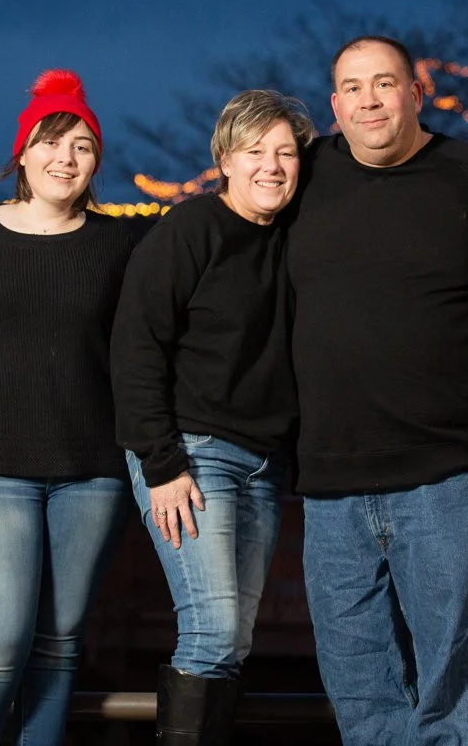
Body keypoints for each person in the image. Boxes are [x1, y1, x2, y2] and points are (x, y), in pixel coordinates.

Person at [287, 36, 468, 745]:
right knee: (361, 697)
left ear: (418, 94)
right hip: (330, 481)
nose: (369, 101)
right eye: (353, 88)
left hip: (447, 475)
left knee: (452, 694)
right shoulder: (303, 173)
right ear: (334, 105)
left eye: (385, 84)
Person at [113, 89, 313, 744]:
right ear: (224, 159)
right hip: (191, 455)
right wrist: (162, 463)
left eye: (286, 152)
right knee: (212, 629)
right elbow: (136, 347)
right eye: (255, 151)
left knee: (236, 637)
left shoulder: (297, 238)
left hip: (263, 464)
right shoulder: (189, 231)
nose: (272, 166)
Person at [0, 70, 133, 746]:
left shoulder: (120, 246)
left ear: (96, 163)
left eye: (83, 147)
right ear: (22, 153)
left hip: (93, 470)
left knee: (59, 643)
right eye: (52, 142)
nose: (66, 158)